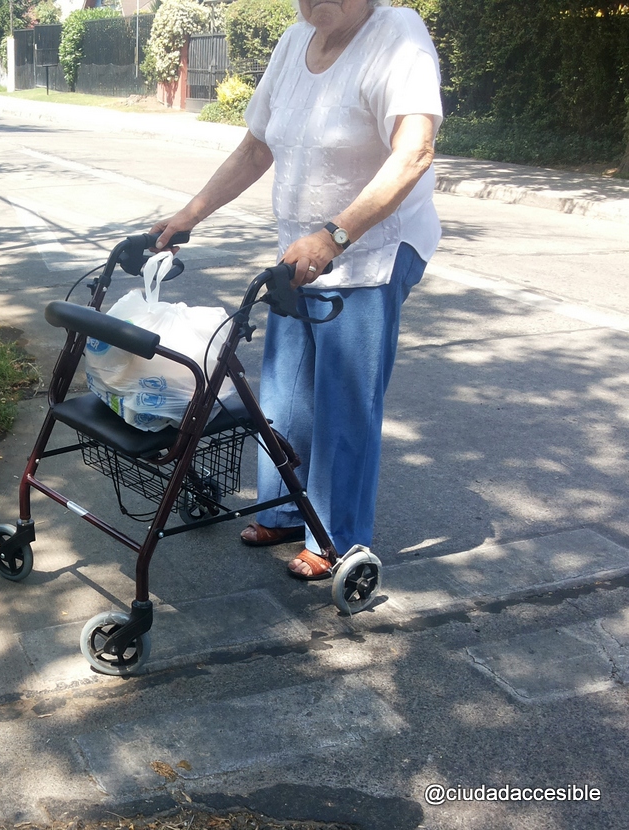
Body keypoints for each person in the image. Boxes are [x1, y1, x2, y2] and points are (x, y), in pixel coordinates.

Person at [151, 0, 442, 579]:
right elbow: (257, 147)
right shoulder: (293, 42)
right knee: (284, 390)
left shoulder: (396, 35)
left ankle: (335, 534)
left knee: (343, 395)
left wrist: (336, 235)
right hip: (301, 252)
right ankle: (286, 509)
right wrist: (188, 216)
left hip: (372, 250)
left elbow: (415, 152)